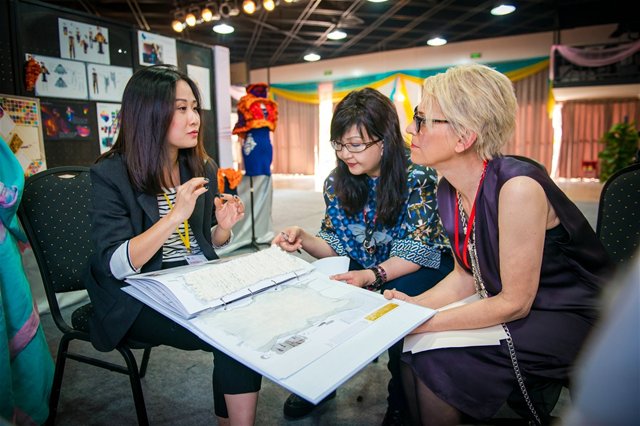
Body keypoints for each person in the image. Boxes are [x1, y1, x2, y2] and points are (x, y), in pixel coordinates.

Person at [385, 63, 613, 425]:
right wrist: (415, 307)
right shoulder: (448, 187)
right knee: (410, 347)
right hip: (515, 303)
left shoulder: (518, 188)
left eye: (422, 120)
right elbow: (466, 275)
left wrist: (423, 322)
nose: (411, 129)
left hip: (568, 314)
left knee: (433, 357)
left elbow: (515, 302)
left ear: (464, 137)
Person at [84, 64, 261, 425]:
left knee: (253, 312)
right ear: (148, 114)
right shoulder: (111, 174)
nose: (194, 118)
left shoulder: (200, 166)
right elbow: (115, 265)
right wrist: (173, 216)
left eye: (194, 107)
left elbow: (202, 242)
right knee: (234, 330)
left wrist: (223, 229)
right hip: (135, 294)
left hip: (192, 280)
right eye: (181, 108)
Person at [273, 87, 452, 425]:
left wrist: (370, 277)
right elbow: (336, 245)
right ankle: (319, 383)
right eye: (339, 145)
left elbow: (416, 249)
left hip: (418, 262)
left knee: (401, 303)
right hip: (368, 262)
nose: (345, 154)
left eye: (355, 145)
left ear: (384, 140)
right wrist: (304, 238)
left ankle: (400, 400)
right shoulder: (336, 182)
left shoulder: (417, 175)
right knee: (322, 293)